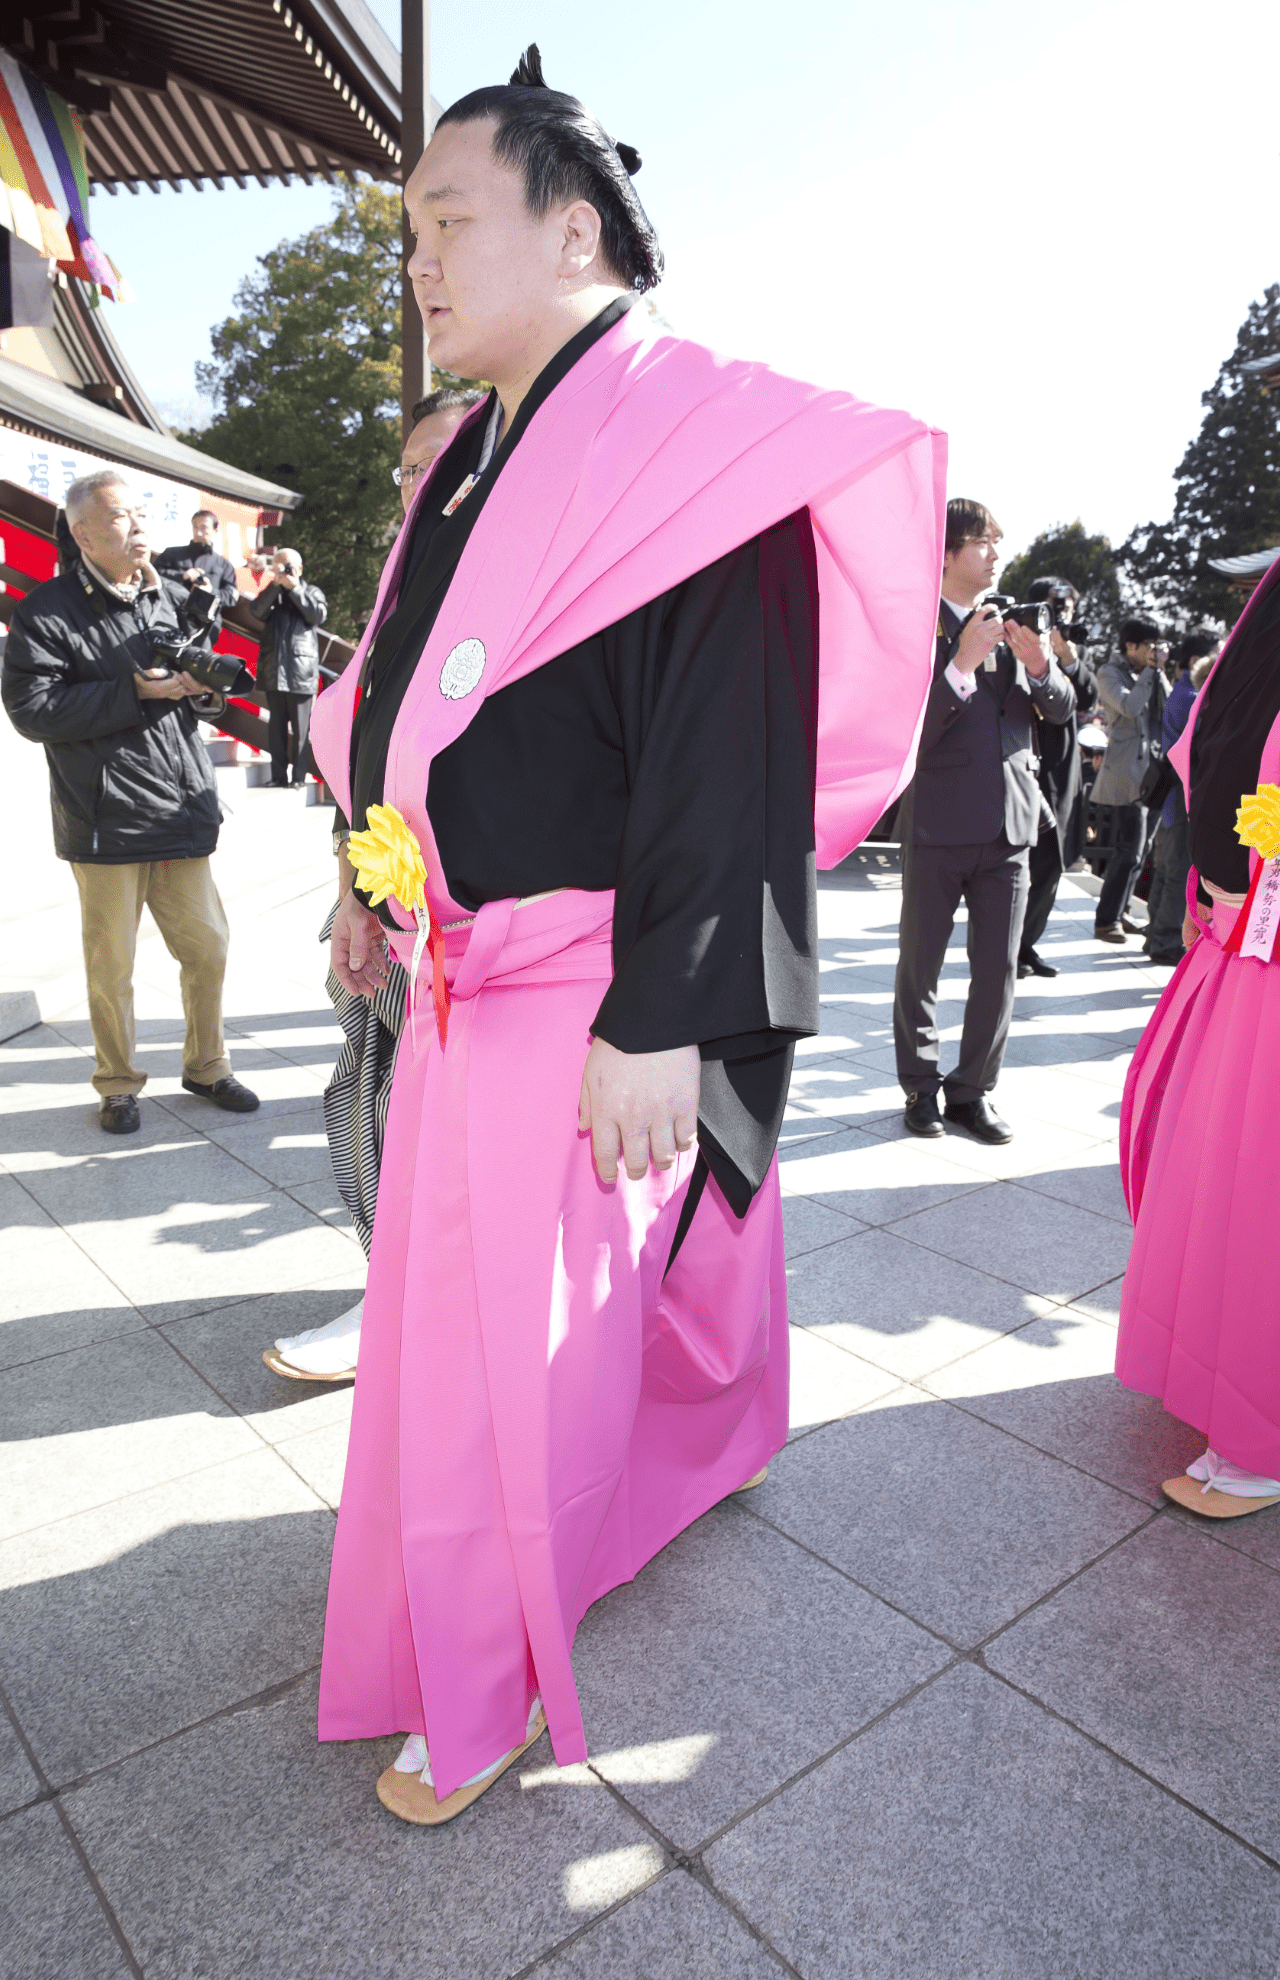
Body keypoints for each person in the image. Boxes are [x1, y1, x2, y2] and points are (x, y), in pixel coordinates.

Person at [307, 45, 945, 1825]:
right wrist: (376, 888)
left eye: (448, 219)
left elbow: (721, 754)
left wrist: (665, 1012)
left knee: (526, 1355)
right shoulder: (469, 459)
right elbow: (412, 701)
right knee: (457, 1342)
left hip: (591, 986)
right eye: (408, 228)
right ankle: (467, 1598)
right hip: (459, 962)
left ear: (572, 224)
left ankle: (495, 1673)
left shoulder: (690, 434)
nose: (418, 261)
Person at [265, 392, 483, 1384]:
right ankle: (393, 1292)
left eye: (442, 462)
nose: (418, 485)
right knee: (367, 1094)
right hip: (384, 895)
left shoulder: (525, 586)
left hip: (485, 929)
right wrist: (356, 888)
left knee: (434, 1126)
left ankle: (415, 1309)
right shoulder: (404, 588)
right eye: (407, 469)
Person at [0, 471, 258, 1132]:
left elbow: (198, 684)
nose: (139, 526)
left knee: (208, 948)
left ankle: (207, 1065)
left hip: (179, 804)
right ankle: (117, 1083)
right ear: (83, 533)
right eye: (121, 517)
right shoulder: (45, 612)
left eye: (143, 513)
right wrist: (135, 693)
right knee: (111, 965)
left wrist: (199, 693)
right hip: (103, 817)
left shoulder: (172, 596)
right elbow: (33, 711)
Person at [1118, 557, 1280, 1514]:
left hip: (1267, 926)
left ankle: (1261, 1424)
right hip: (1241, 928)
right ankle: (1233, 1389)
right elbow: (1224, 733)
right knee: (1222, 1163)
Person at [893, 499, 1074, 1146]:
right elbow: (904, 733)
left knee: (997, 969)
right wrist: (960, 663)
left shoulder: (1013, 623)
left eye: (997, 543)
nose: (996, 554)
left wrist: (1038, 666)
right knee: (922, 963)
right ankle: (919, 1087)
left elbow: (1060, 710)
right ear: (944, 554)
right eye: (982, 542)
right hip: (938, 822)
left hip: (1011, 826)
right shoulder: (912, 627)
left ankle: (973, 1091)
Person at [1017, 577, 1098, 978]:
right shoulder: (1017, 639)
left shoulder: (1071, 650)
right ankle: (1008, 948)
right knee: (1027, 862)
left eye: (1068, 607)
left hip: (1064, 764)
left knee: (1054, 862)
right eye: (1056, 606)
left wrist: (1068, 657)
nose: (1064, 615)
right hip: (1028, 759)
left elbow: (1087, 698)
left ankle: (1026, 944)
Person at [1142, 629, 1218, 965]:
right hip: (1184, 797)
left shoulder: (1183, 691)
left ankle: (1154, 936)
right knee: (1177, 872)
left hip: (1175, 798)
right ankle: (1165, 942)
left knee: (1166, 870)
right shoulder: (1192, 697)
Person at [1090, 617, 1167, 942]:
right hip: (1125, 773)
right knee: (1129, 848)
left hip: (1151, 771)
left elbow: (1168, 707)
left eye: (1156, 646)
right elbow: (1130, 707)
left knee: (1142, 848)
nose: (1152, 651)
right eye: (1147, 645)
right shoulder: (1109, 672)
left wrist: (1158, 672)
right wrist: (1150, 672)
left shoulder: (1148, 673)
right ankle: (1106, 920)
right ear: (1130, 645)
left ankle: (1119, 912)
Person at [249, 549, 327, 788]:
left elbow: (317, 615)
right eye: (279, 567)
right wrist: (275, 585)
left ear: (300, 569)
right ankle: (278, 776)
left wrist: (295, 588)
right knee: (276, 729)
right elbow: (256, 611)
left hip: (300, 671)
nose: (283, 571)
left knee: (301, 730)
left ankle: (298, 778)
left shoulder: (311, 591)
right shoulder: (274, 594)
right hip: (274, 670)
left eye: (288, 566)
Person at [154, 509, 239, 610]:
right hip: (171, 611)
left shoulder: (224, 565)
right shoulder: (172, 553)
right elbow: (153, 574)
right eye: (195, 527)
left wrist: (211, 591)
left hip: (205, 620)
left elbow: (231, 596)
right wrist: (182, 575)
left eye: (204, 528)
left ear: (215, 529)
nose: (198, 533)